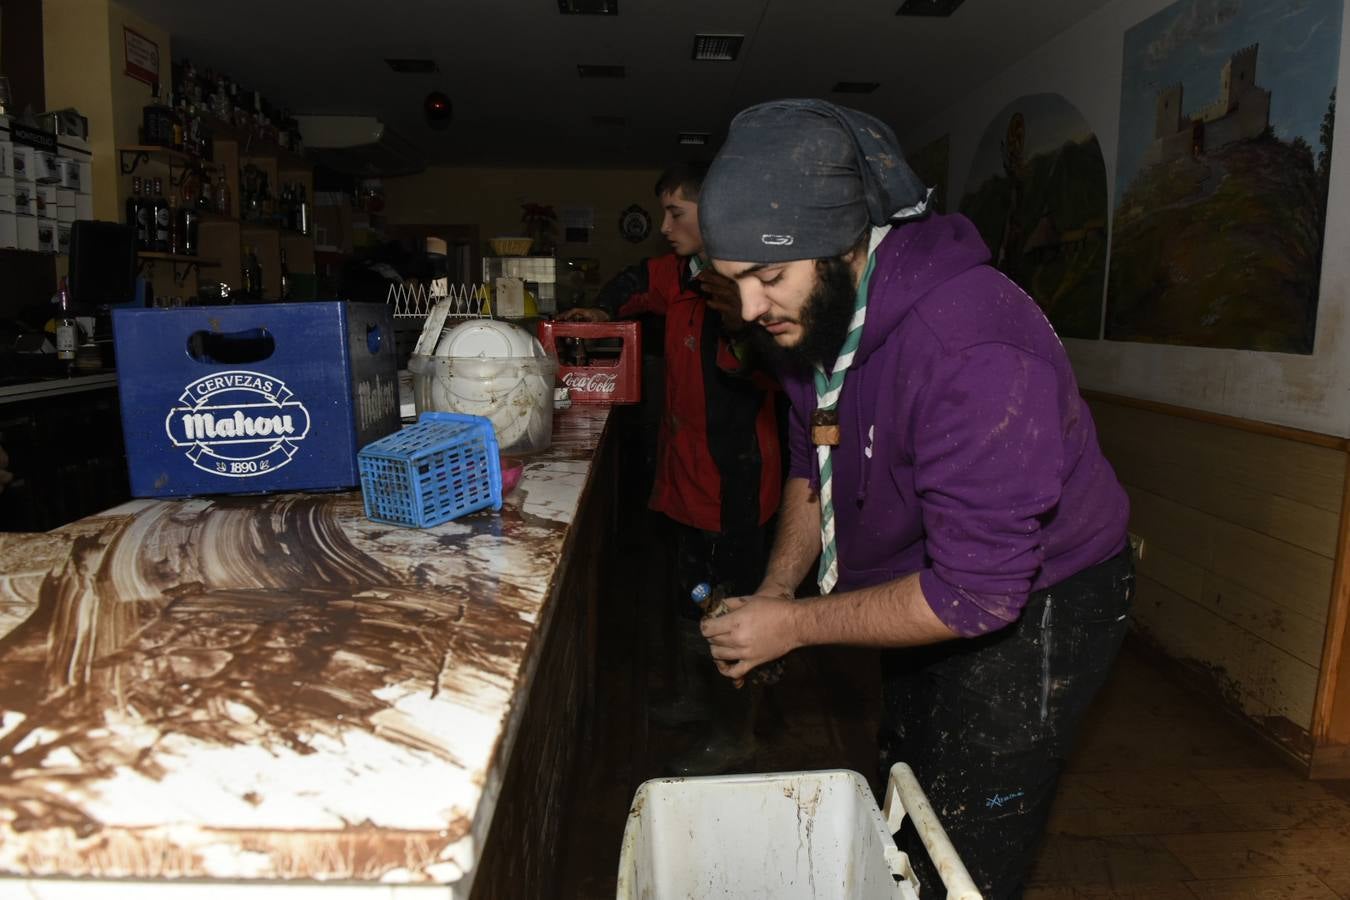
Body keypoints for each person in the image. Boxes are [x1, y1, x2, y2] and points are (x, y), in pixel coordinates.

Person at [696, 99, 1134, 899]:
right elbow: (810, 456)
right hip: (931, 579)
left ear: (846, 244)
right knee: (907, 780)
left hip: (1039, 601)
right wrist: (774, 590)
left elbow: (977, 594)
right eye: (734, 283)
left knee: (962, 843)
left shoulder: (973, 349)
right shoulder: (816, 319)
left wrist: (791, 629)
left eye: (768, 277)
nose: (752, 311)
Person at [563, 164, 782, 775]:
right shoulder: (681, 276)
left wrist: (741, 325)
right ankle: (695, 698)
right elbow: (635, 280)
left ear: (713, 215)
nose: (664, 227)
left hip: (735, 488)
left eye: (676, 213)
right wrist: (597, 308)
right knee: (691, 595)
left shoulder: (751, 289)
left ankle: (735, 732)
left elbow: (763, 370)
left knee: (731, 612)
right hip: (685, 479)